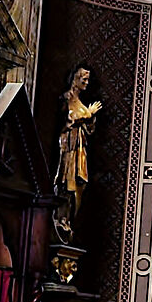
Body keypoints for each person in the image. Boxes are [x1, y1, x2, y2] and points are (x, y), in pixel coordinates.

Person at [55, 65, 102, 243]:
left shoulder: (81, 101)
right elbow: (66, 121)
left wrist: (90, 119)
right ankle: (61, 219)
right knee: (66, 184)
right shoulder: (66, 98)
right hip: (68, 147)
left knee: (79, 186)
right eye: (84, 79)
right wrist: (87, 115)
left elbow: (89, 129)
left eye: (88, 79)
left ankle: (70, 221)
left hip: (81, 148)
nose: (86, 82)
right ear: (74, 78)